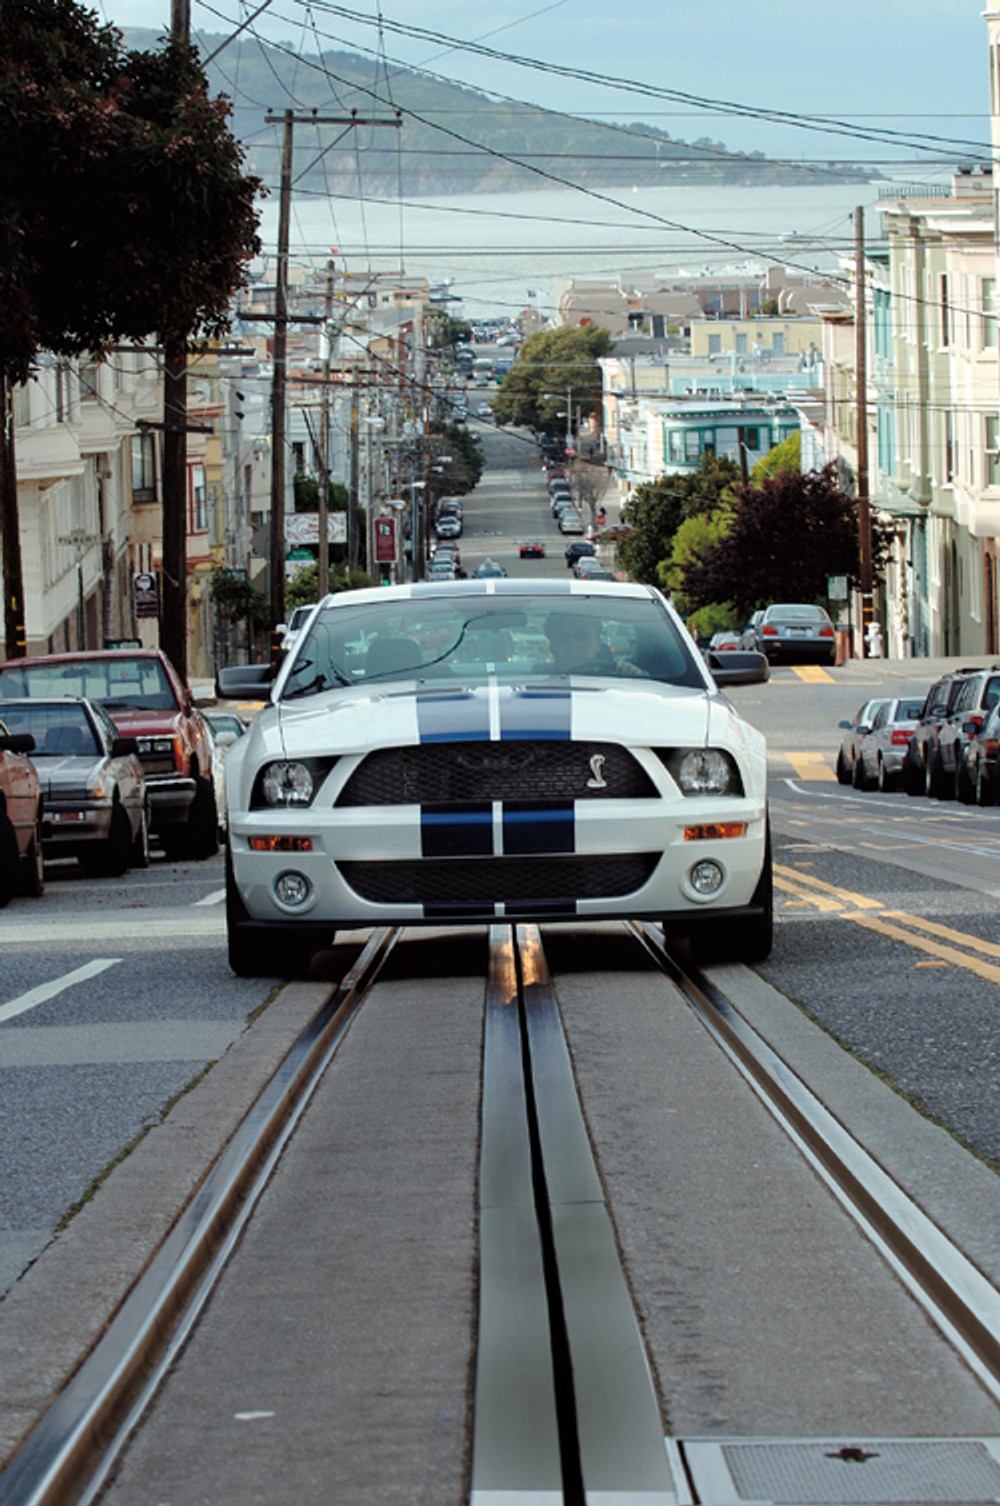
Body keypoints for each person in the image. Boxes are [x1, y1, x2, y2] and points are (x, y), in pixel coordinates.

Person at [540, 611, 642, 676]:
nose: (574, 645)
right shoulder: (535, 691)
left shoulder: (625, 680)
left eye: (583, 636)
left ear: (598, 643)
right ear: (552, 646)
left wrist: (637, 676)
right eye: (563, 638)